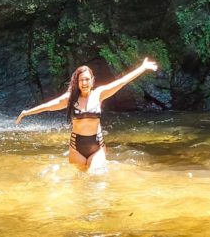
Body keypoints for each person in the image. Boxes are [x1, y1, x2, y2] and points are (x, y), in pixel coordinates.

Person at [15, 57, 159, 172]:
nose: (84, 82)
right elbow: (48, 106)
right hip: (76, 147)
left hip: (97, 145)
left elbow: (121, 82)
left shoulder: (99, 94)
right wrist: (27, 112)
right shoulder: (70, 98)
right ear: (77, 82)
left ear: (92, 81)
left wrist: (142, 68)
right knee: (79, 182)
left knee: (94, 177)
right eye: (81, 80)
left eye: (87, 79)